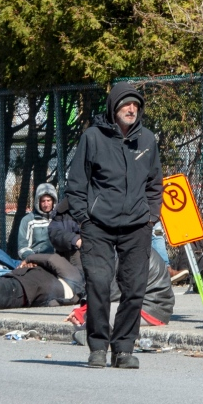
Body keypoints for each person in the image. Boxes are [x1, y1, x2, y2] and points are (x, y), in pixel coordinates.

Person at [66, 81, 162, 369]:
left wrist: (150, 217)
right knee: (98, 285)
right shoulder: (93, 138)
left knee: (134, 288)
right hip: (98, 226)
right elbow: (76, 184)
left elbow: (155, 183)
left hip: (136, 226)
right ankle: (97, 346)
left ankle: (123, 348)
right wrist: (84, 218)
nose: (131, 109)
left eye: (135, 105)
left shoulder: (147, 140)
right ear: (113, 107)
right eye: (125, 104)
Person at [17, 183, 57, 259]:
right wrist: (32, 258)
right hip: (37, 259)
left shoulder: (60, 219)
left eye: (48, 200)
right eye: (43, 201)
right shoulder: (28, 220)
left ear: (54, 201)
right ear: (38, 202)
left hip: (57, 259)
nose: (46, 204)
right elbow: (22, 247)